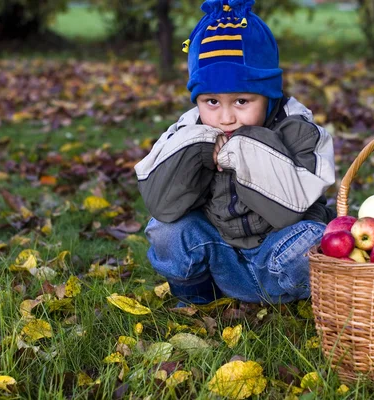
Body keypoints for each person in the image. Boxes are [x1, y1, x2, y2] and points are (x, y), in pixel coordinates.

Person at [134, 0, 336, 306]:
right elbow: (160, 200)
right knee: (164, 229)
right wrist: (197, 151)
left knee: (316, 239)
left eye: (242, 101)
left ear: (268, 95)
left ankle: (294, 296)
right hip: (220, 258)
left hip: (275, 256)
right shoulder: (190, 128)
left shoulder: (298, 128)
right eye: (211, 102)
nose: (226, 118)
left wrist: (238, 152)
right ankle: (197, 297)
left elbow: (291, 206)